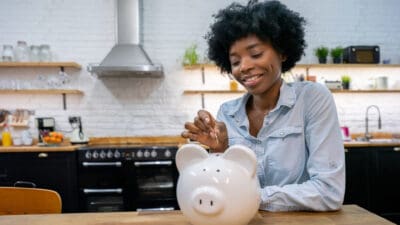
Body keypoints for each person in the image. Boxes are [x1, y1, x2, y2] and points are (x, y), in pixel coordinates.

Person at [181, 0, 345, 212]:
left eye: (256, 54)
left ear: (283, 52)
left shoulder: (312, 99)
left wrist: (253, 197)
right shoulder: (227, 114)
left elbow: (329, 192)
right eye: (235, 61)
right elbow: (220, 190)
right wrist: (219, 149)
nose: (245, 67)